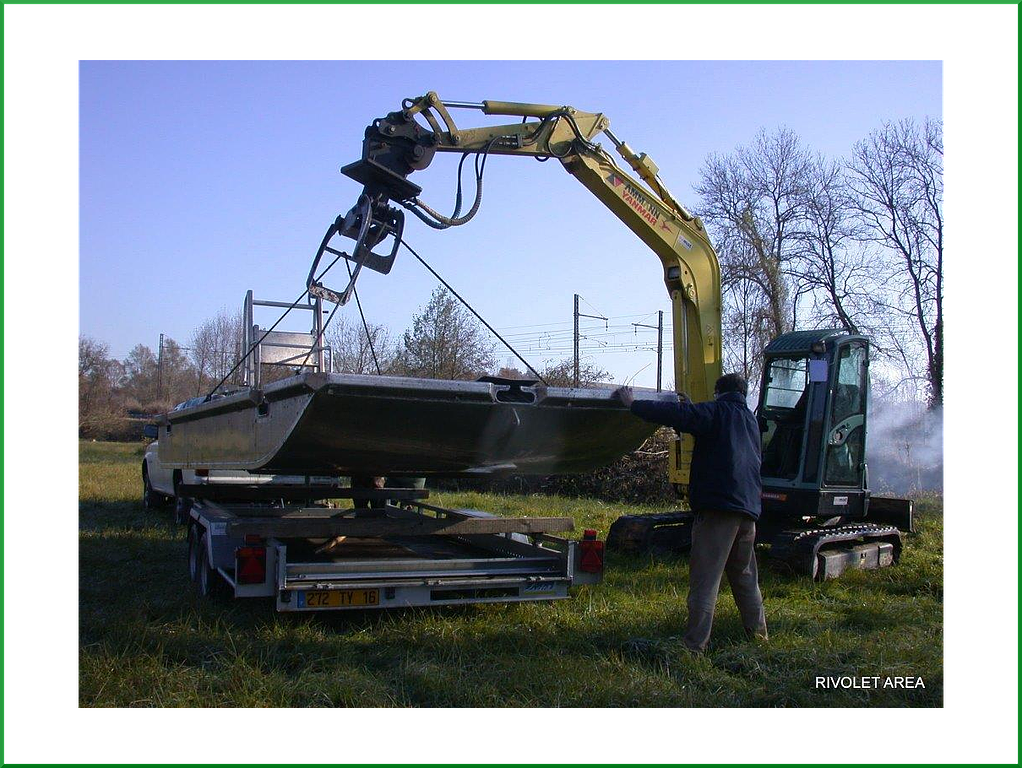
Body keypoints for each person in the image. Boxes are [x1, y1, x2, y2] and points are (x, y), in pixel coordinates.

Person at [616, 373, 768, 652]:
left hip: (718, 509)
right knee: (745, 577)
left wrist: (633, 404)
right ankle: (758, 637)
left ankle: (695, 646)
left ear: (718, 392)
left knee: (705, 580)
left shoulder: (716, 411)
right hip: (748, 511)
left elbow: (678, 415)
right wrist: (694, 408)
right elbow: (704, 422)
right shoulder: (749, 421)